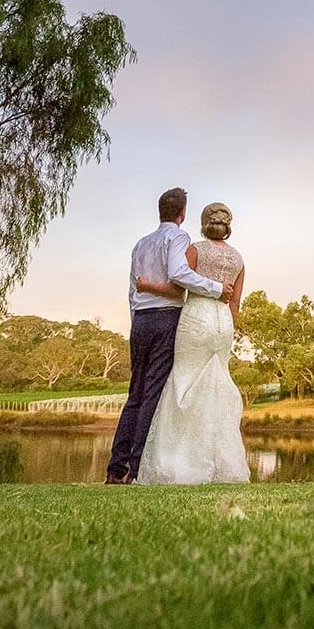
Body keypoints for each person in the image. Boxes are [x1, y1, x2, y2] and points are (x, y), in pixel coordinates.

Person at [104, 188, 237, 484]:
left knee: (135, 395)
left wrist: (135, 322)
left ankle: (116, 469)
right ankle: (137, 469)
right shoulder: (177, 237)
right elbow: (178, 273)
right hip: (165, 319)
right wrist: (216, 289)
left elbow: (132, 289)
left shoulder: (140, 244)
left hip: (141, 321)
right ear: (183, 214)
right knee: (154, 393)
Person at [136, 201, 249, 484]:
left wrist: (148, 286)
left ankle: (179, 464)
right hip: (222, 324)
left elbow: (179, 283)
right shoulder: (239, 259)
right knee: (218, 385)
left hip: (197, 318)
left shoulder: (195, 250)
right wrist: (228, 329)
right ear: (228, 225)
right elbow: (234, 303)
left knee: (184, 383)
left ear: (203, 222)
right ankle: (222, 465)